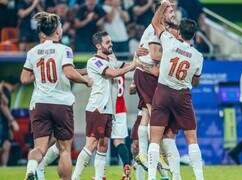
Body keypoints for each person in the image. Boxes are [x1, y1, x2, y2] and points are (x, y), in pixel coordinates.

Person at [20, 12, 92, 180]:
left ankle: (31, 170)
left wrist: (39, 76)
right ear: (57, 31)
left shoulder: (33, 51)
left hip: (39, 103)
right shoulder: (64, 50)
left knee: (39, 148)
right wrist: (86, 81)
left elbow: (24, 79)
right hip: (61, 103)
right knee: (64, 150)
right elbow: (68, 73)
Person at [71, 31, 139, 180]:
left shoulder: (108, 60)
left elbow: (122, 67)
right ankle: (75, 177)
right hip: (97, 108)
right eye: (107, 42)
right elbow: (112, 73)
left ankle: (99, 177)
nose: (111, 44)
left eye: (110, 41)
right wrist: (132, 65)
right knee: (91, 144)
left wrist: (137, 58)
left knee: (103, 145)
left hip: (109, 110)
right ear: (98, 45)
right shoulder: (94, 61)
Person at [148, 1, 204, 180]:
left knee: (155, 139)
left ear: (179, 32)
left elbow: (155, 23)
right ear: (193, 35)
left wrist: (163, 6)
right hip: (182, 96)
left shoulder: (170, 41)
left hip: (163, 92)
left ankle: (150, 177)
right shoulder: (198, 56)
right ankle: (199, 177)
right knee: (192, 140)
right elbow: (195, 82)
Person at [133, 2, 181, 178]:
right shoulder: (155, 29)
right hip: (148, 74)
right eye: (170, 11)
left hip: (145, 73)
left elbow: (141, 50)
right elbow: (153, 55)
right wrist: (175, 54)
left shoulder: (157, 29)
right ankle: (147, 154)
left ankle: (147, 154)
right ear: (161, 13)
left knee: (146, 113)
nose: (173, 13)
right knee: (155, 115)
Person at [0, 79, 20, 167]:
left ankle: (4, 167)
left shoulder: (4, 91)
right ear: (16, 85)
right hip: (1, 123)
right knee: (4, 145)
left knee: (7, 144)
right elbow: (3, 106)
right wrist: (12, 121)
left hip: (4, 123)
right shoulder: (5, 91)